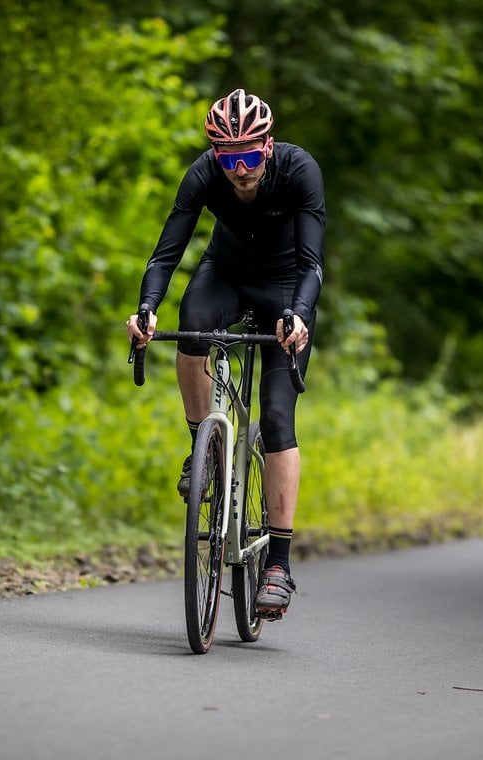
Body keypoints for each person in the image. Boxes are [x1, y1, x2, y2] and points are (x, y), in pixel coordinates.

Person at [125, 88, 324, 620]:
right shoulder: (204, 175)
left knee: (278, 417)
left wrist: (300, 315)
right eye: (228, 158)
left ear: (268, 146)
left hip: (286, 288)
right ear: (215, 154)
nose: (240, 170)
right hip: (228, 275)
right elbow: (167, 251)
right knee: (192, 327)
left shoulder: (299, 170)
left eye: (249, 156)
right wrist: (146, 308)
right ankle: (202, 448)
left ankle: (278, 564)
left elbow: (312, 263)